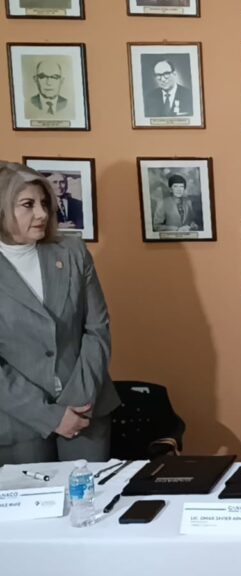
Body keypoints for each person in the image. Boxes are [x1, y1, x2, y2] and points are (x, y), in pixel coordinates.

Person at [0, 162, 119, 465]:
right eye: (28, 205)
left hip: (84, 411)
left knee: (90, 494)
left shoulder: (73, 251)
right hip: (17, 420)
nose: (42, 213)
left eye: (44, 203)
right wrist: (50, 416)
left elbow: (97, 328)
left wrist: (78, 400)